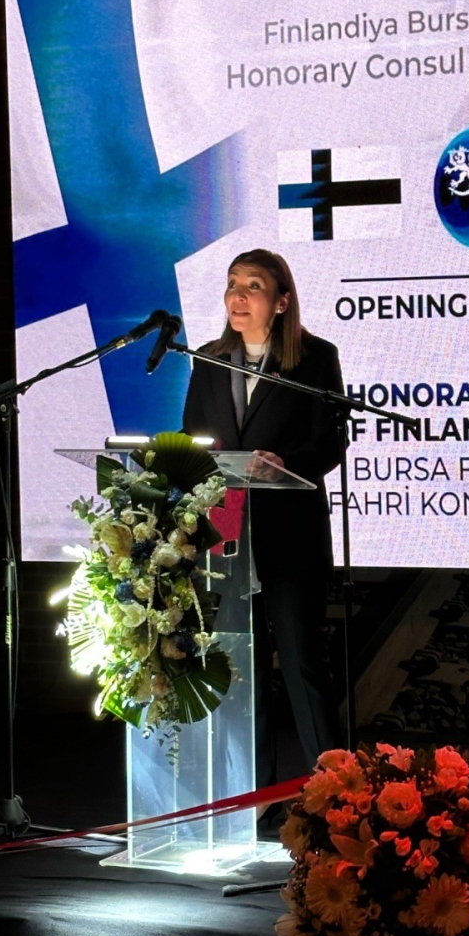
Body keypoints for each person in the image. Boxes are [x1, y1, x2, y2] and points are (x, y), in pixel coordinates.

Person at [182, 248, 344, 789]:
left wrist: (285, 463)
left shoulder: (314, 359)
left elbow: (329, 442)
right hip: (227, 537)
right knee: (240, 670)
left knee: (302, 665)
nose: (238, 296)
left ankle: (337, 794)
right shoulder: (210, 360)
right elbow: (191, 439)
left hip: (290, 536)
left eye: (253, 285)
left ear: (281, 302)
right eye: (233, 284)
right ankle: (251, 799)